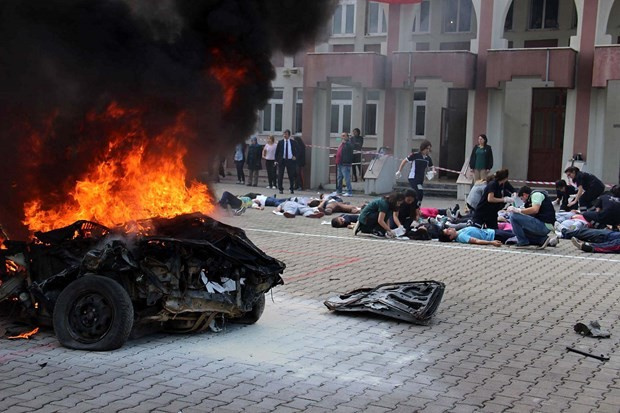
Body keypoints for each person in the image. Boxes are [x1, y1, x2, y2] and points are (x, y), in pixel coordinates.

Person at [395, 139, 435, 206]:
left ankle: (414, 206)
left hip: (420, 178)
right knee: (419, 192)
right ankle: (412, 206)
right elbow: (405, 161)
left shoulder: (428, 158)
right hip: (413, 177)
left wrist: (433, 171)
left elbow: (432, 166)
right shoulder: (415, 155)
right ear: (423, 148)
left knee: (416, 194)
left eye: (429, 149)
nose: (428, 150)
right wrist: (399, 171)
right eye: (427, 149)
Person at [438, 226, 514, 246]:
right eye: (448, 231)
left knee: (515, 233)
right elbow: (476, 241)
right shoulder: (461, 236)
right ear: (450, 237)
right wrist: (491, 242)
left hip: (493, 231)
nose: (449, 228)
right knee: (516, 236)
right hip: (494, 236)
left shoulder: (458, 232)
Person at [275, 129, 298, 194]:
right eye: (284, 134)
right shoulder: (280, 142)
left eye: (286, 134)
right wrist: (276, 160)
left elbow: (297, 150)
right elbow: (277, 152)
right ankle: (280, 189)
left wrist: (295, 156)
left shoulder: (293, 142)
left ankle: (291, 188)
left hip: (290, 160)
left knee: (291, 175)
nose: (285, 135)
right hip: (282, 160)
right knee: (280, 175)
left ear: (289, 135)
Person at [335, 132, 354, 197]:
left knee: (346, 178)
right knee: (339, 178)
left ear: (347, 137)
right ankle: (339, 191)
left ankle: (349, 192)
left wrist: (345, 142)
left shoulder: (348, 144)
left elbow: (349, 150)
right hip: (340, 163)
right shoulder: (342, 144)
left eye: (344, 136)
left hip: (345, 164)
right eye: (342, 136)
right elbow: (340, 152)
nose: (342, 137)